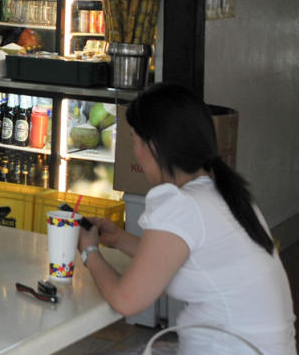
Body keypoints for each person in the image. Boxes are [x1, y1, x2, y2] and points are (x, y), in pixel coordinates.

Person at [78, 84, 295, 354]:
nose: (135, 151)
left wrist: (89, 252)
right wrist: (119, 239)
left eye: (134, 140)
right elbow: (177, 258)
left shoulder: (180, 205)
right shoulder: (224, 193)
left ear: (154, 145)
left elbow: (126, 300)